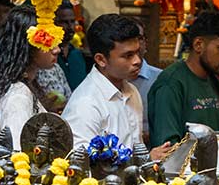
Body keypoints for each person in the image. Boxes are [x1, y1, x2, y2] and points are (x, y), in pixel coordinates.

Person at [61, 13, 169, 159]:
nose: (137, 61)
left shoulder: (131, 91)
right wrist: (148, 160)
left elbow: (136, 150)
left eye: (137, 52)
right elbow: (82, 167)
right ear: (101, 60)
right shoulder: (86, 104)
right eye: (128, 55)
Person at [0, 4, 61, 149]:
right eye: (47, 41)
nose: (56, 49)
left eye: (55, 41)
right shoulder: (17, 96)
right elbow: (17, 154)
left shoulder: (23, 86)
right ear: (26, 46)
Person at [147, 11, 219, 145]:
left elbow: (217, 136)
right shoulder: (171, 84)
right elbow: (168, 149)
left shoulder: (216, 84)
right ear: (198, 44)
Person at [129, 20, 162, 144]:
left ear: (146, 43)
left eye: (139, 38)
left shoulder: (160, 78)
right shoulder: (111, 80)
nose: (135, 44)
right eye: (130, 39)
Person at [53, 2, 90, 90]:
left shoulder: (77, 54)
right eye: (64, 22)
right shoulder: (48, 56)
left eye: (72, 21)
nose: (70, 26)